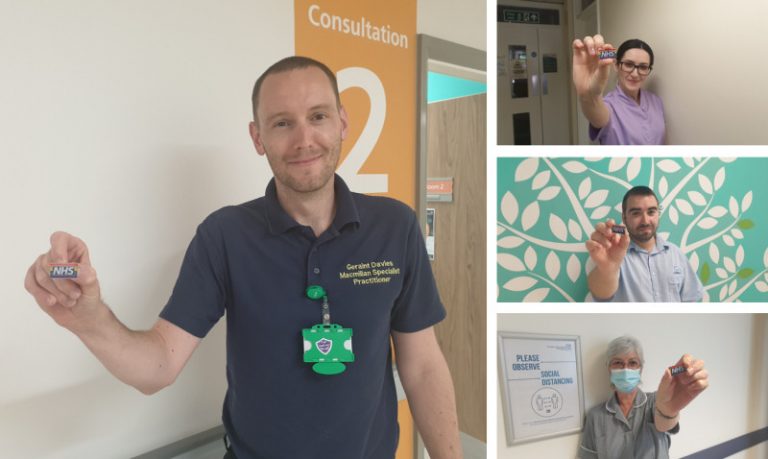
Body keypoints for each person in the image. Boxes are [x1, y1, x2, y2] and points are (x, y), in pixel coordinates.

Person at [24, 56, 462, 459]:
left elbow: (422, 365)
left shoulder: (395, 227)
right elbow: (158, 366)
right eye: (282, 123)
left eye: (319, 116)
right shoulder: (224, 236)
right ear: (257, 137)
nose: (304, 139)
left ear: (342, 122)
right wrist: (88, 318)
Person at [579, 336, 709, 458]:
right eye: (618, 362)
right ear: (609, 368)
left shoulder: (655, 401)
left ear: (640, 368)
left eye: (633, 363)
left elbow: (665, 422)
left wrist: (669, 412)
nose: (625, 369)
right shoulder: (595, 417)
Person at [586, 185, 703, 302]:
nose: (645, 221)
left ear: (658, 214)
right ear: (624, 217)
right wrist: (608, 269)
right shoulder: (613, 255)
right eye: (636, 213)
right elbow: (601, 294)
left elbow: (690, 301)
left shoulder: (676, 253)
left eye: (651, 212)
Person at [573, 36, 665, 145]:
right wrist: (588, 96)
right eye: (628, 64)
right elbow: (595, 109)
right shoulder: (609, 105)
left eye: (643, 67)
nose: (635, 74)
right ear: (616, 66)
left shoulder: (656, 101)